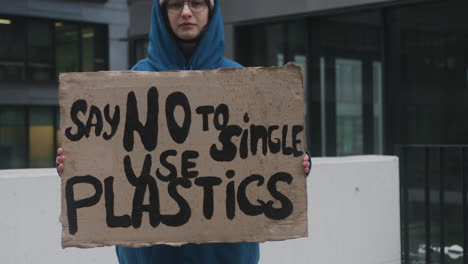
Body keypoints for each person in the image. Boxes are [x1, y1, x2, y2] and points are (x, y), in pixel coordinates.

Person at [57, 0, 311, 263]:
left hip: (225, 254)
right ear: (163, 12)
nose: (186, 12)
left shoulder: (243, 80)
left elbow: (270, 149)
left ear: (211, 10)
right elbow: (105, 159)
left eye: (197, 3)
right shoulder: (133, 81)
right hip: (151, 255)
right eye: (176, 4)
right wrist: (75, 162)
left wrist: (297, 162)